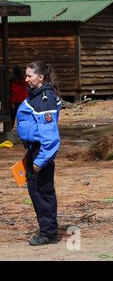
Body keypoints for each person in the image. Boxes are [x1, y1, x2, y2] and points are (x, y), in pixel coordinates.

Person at [16, 61, 61, 246]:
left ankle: (48, 233)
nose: (26, 79)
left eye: (29, 76)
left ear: (40, 77)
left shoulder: (44, 99)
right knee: (37, 191)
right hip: (33, 150)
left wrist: (40, 160)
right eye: (26, 76)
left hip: (41, 153)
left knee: (42, 192)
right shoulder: (36, 96)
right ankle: (47, 229)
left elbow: (50, 136)